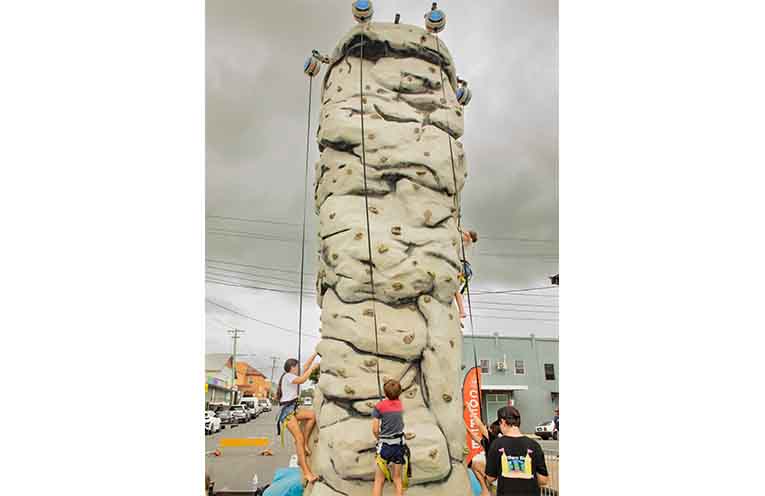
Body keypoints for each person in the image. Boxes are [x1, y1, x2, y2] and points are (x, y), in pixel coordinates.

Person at [275, 353, 320, 485]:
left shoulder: (291, 375)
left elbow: (306, 366)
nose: (299, 368)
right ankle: (307, 472)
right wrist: (313, 369)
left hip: (293, 409)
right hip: (287, 412)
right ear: (292, 367)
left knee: (312, 416)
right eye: (297, 367)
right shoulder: (288, 376)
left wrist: (315, 353)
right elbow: (302, 380)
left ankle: (305, 443)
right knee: (298, 439)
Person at [485, 406, 549, 496]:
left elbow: (490, 478)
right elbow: (543, 480)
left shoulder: (496, 444)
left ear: (503, 422)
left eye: (499, 423)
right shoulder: (534, 445)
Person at [372, 379, 410, 496]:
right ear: (399, 393)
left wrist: (379, 438)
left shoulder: (379, 407)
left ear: (385, 392)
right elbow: (394, 395)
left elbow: (375, 429)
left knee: (379, 480)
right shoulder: (400, 405)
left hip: (385, 447)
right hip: (398, 446)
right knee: (397, 479)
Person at [464, 408, 500, 496]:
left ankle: (487, 489)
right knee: (473, 463)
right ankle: (485, 490)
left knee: (475, 462)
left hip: (498, 478)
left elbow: (479, 425)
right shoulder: (488, 442)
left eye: (489, 428)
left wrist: (469, 408)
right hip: (494, 476)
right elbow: (473, 436)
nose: (487, 429)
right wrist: (464, 425)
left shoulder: (494, 440)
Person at [455, 229, 478, 319]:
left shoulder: (469, 243)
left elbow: (468, 236)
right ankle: (461, 311)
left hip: (463, 268)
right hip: (463, 268)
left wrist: (459, 228)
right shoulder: (464, 245)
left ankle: (462, 312)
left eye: (464, 235)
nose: (462, 236)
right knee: (456, 291)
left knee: (456, 290)